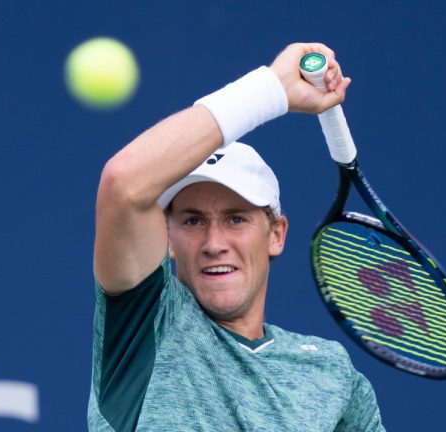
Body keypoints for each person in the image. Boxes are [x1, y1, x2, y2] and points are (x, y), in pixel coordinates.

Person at [89, 42, 385, 431]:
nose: (214, 243)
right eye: (193, 221)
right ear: (167, 236)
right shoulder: (146, 326)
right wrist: (272, 90)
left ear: (276, 234)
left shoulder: (330, 372)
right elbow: (124, 183)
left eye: (236, 220)